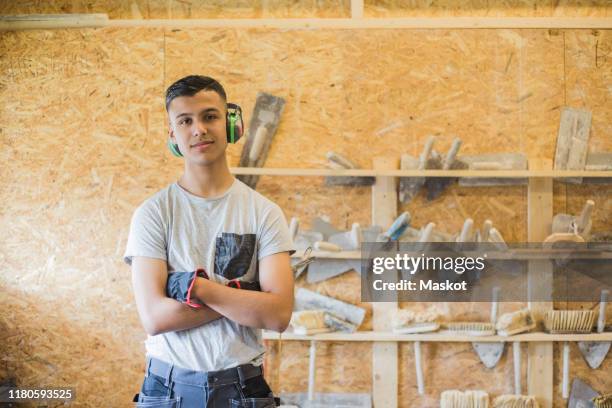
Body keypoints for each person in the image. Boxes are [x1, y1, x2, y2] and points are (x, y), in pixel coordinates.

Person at [123, 75, 295, 407]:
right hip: (168, 389)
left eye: (210, 116)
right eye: (185, 121)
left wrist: (198, 289)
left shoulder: (264, 213)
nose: (199, 128)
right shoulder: (153, 214)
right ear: (173, 134)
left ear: (233, 123)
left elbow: (278, 315)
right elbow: (156, 318)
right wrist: (245, 297)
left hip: (243, 389)